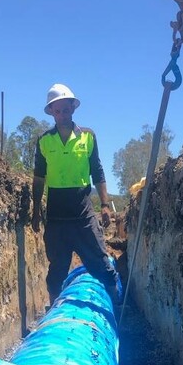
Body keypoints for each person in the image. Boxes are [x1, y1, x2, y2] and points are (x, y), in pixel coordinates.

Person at [31, 83, 120, 306]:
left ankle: (116, 308)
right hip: (56, 216)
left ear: (73, 108)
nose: (62, 115)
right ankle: (53, 312)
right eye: (57, 111)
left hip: (83, 214)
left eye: (65, 109)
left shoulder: (88, 137)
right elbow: (39, 177)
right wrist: (35, 209)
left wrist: (105, 205)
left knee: (101, 264)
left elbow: (97, 171)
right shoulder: (44, 141)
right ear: (51, 112)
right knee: (57, 270)